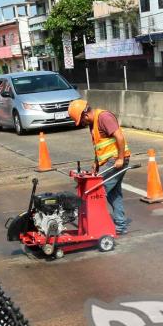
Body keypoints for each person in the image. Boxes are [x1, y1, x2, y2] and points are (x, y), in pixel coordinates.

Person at [67, 98, 130, 235]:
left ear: (85, 114)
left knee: (96, 192)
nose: (82, 124)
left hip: (116, 161)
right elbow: (100, 145)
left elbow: (119, 137)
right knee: (114, 194)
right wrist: (96, 162)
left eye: (81, 121)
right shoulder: (93, 123)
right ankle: (120, 225)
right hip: (108, 161)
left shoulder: (104, 117)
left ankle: (97, 227)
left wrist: (120, 158)